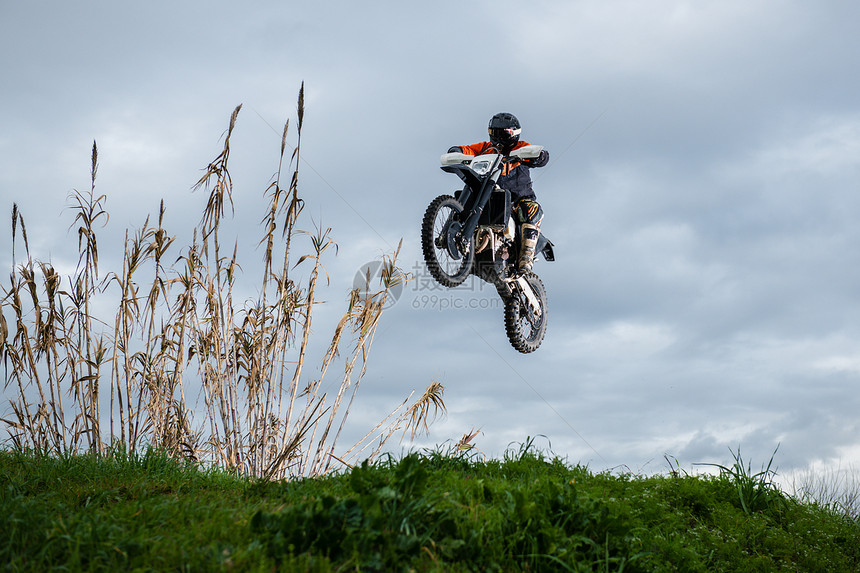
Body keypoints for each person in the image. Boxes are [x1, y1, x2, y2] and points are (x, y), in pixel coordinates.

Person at [448, 112, 549, 273]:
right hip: (490, 195)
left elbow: (539, 155)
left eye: (504, 134)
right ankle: (466, 246)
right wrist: (456, 151)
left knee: (529, 209)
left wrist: (538, 156)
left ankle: (526, 258)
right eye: (494, 133)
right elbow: (467, 149)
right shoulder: (485, 148)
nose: (499, 138)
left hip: (518, 199)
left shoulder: (521, 147)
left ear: (514, 134)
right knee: (467, 201)